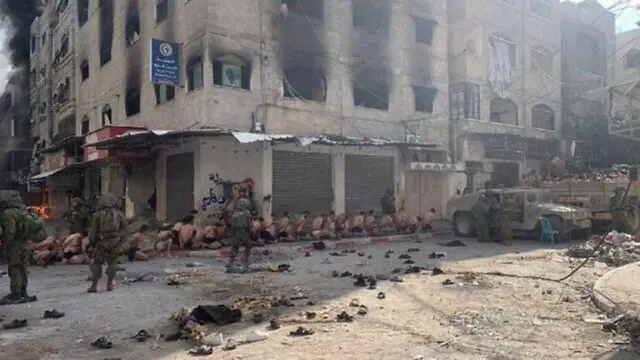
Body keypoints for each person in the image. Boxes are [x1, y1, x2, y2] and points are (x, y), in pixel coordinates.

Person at [0, 190, 37, 305]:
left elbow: (10, 232)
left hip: (15, 244)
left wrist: (5, 245)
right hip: (25, 243)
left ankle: (16, 293)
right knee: (23, 267)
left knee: (15, 267)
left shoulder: (9, 213)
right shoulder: (24, 210)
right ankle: (23, 291)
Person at [87, 193, 126, 293]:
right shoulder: (119, 214)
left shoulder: (97, 215)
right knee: (112, 262)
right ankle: (109, 284)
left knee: (97, 262)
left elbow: (93, 231)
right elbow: (125, 229)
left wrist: (92, 242)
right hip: (115, 241)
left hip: (101, 242)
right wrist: (120, 239)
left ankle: (94, 285)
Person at [227, 197, 253, 272]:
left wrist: (232, 234)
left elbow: (232, 226)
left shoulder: (234, 214)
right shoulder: (247, 213)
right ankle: (245, 258)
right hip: (244, 232)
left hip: (237, 233)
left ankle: (230, 261)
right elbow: (249, 225)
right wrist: (251, 232)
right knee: (248, 246)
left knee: (235, 247)